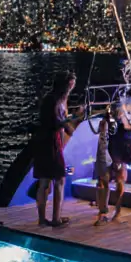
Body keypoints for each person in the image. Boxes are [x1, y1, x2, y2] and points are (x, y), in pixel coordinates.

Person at [33, 71, 84, 228]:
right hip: (51, 144)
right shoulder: (56, 101)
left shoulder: (51, 98)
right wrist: (75, 118)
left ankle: (43, 219)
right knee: (59, 179)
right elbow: (60, 123)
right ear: (64, 85)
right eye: (70, 85)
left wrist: (70, 122)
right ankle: (55, 218)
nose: (71, 89)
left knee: (44, 181)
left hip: (42, 142)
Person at [106, 101, 131, 223]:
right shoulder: (119, 115)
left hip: (114, 150)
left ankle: (110, 211)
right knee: (119, 180)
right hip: (119, 151)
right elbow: (130, 129)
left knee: (114, 180)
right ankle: (115, 211)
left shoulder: (111, 115)